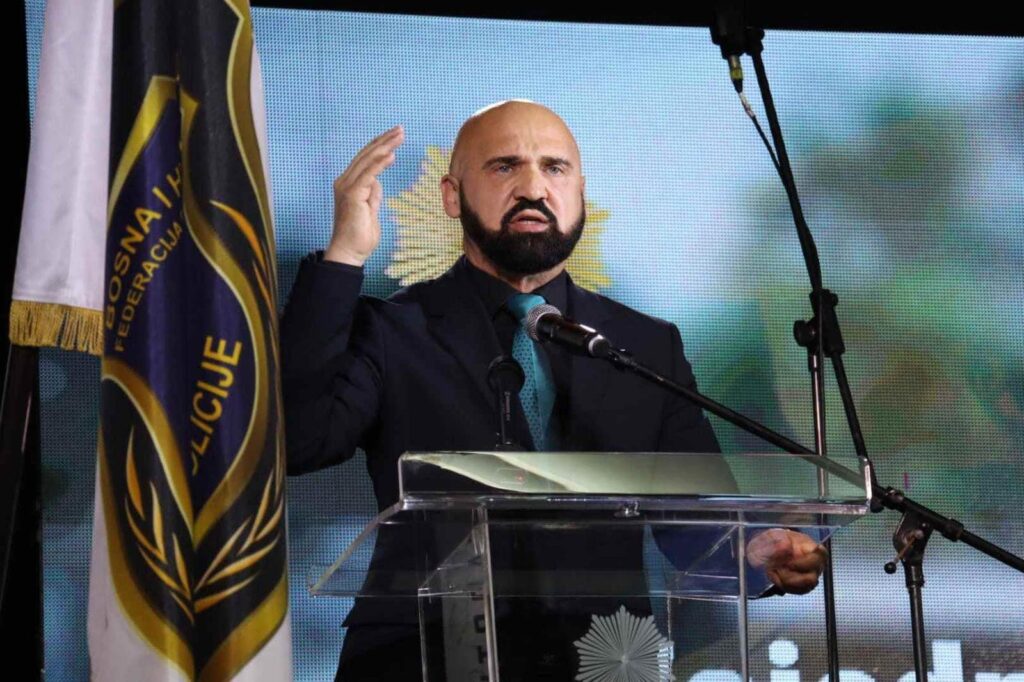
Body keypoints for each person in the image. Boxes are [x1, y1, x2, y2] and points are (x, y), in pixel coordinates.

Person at [281, 100, 827, 680]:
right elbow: (301, 441)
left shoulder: (643, 346)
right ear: (451, 196)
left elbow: (693, 521)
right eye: (504, 166)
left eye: (554, 168)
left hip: (603, 661)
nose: (533, 188)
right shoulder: (391, 331)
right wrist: (344, 257)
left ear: (580, 194)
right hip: (419, 660)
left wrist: (753, 550)